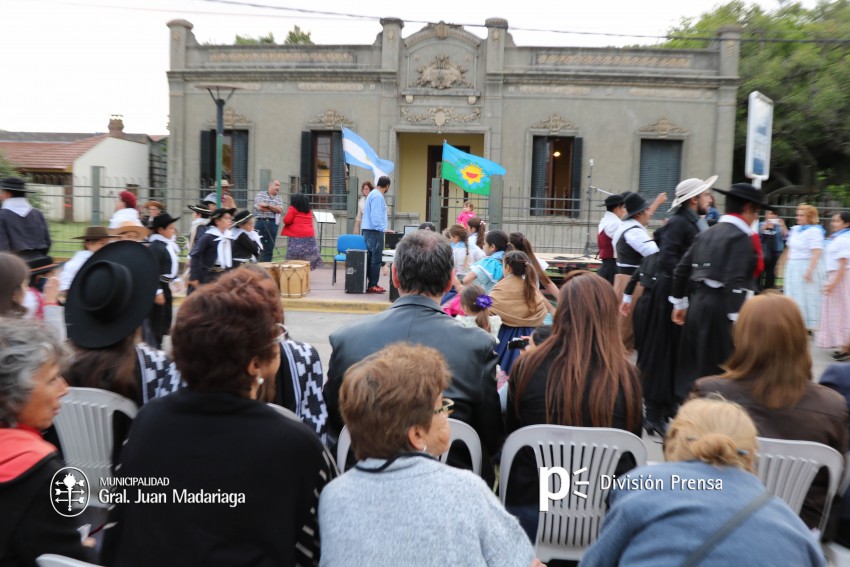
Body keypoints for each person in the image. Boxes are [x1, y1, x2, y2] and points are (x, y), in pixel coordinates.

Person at [101, 269, 337, 566]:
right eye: (275, 340)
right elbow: (323, 546)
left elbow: (123, 530)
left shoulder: (148, 422)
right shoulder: (297, 445)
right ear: (255, 364)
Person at [319, 343, 540, 567]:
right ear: (416, 434)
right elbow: (523, 562)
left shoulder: (333, 496)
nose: (446, 413)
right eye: (441, 407)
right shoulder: (465, 490)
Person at [326, 230, 504, 483]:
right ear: (449, 281)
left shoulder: (346, 339)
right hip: (451, 485)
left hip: (364, 481)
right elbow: (491, 437)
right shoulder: (478, 345)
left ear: (395, 276)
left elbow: (336, 426)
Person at [581, 397, 826, 567]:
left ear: (674, 441)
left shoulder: (642, 486)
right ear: (752, 453)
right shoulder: (795, 531)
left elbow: (596, 562)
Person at [694, 293, 849, 532]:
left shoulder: (709, 392)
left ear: (741, 335)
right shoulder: (833, 406)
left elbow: (682, 461)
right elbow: (834, 481)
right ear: (799, 340)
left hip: (717, 522)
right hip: (798, 529)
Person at [506, 271, 643, 539]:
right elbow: (631, 448)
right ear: (610, 315)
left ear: (561, 311)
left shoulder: (527, 366)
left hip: (531, 511)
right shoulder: (626, 377)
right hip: (603, 518)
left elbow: (512, 432)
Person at [0, 319, 99, 565]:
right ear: (13, 393)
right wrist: (81, 548)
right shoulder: (40, 472)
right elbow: (66, 559)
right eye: (53, 379)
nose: (64, 389)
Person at [623, 176, 715, 435]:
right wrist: (680, 299)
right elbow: (670, 261)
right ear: (694, 199)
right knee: (661, 355)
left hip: (677, 293)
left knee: (675, 355)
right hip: (668, 296)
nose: (709, 199)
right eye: (706, 195)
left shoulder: (690, 222)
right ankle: (653, 414)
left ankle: (667, 408)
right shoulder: (678, 223)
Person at [671, 183, 765, 398]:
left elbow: (681, 270)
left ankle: (690, 416)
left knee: (693, 370)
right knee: (719, 373)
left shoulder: (708, 232)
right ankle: (710, 421)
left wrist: (680, 304)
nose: (755, 218)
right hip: (721, 310)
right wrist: (737, 321)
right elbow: (735, 280)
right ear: (748, 208)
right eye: (757, 213)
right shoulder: (741, 237)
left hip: (698, 304)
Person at [613, 192, 660, 351]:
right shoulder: (634, 231)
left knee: (623, 331)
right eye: (647, 210)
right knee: (625, 333)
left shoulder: (626, 227)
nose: (649, 214)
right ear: (640, 214)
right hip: (632, 282)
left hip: (625, 280)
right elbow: (654, 253)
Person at [490, 250, 548, 375]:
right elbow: (542, 311)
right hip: (530, 339)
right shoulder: (531, 288)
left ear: (507, 267)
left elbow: (490, 310)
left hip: (503, 338)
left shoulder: (501, 287)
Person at [781, 203, 825, 331]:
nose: (798, 217)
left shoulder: (815, 231)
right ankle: (794, 321)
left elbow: (817, 252)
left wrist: (810, 271)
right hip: (793, 266)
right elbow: (790, 248)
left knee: (806, 295)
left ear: (809, 217)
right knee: (793, 294)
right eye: (797, 215)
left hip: (806, 265)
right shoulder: (795, 230)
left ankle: (807, 324)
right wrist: (785, 265)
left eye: (801, 215)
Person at [146, 212, 181, 349]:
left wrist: (176, 279)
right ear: (160, 230)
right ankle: (154, 348)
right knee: (156, 321)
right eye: (171, 228)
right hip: (158, 287)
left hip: (165, 286)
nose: (173, 230)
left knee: (164, 320)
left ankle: (157, 344)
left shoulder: (166, 244)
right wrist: (157, 291)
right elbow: (152, 270)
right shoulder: (156, 247)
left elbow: (170, 265)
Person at [817, 212, 850, 352]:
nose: (832, 223)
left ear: (846, 223)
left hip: (840, 277)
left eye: (836, 221)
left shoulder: (845, 238)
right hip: (836, 276)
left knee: (843, 311)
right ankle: (844, 345)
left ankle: (845, 346)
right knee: (839, 311)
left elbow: (843, 263)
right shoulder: (840, 237)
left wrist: (833, 283)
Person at [0, 176, 51, 260]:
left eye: (1, 192)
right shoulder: (38, 213)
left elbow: (2, 249)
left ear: (8, 194)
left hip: (15, 267)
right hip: (40, 263)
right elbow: (47, 242)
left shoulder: (2, 216)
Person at [58, 226, 116, 294]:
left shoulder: (106, 259)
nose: (106, 247)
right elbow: (65, 289)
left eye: (107, 243)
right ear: (88, 244)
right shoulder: (76, 264)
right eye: (102, 243)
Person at [189, 207, 236, 287]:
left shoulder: (229, 237)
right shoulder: (208, 237)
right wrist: (194, 277)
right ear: (217, 221)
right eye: (226, 218)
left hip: (223, 275)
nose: (229, 221)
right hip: (208, 276)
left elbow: (230, 258)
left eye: (230, 218)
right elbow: (195, 255)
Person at [452, 229, 510, 294]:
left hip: (490, 300)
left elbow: (466, 280)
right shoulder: (510, 260)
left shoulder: (490, 263)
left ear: (492, 247)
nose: (483, 246)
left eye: (484, 244)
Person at [509, 232, 559, 306]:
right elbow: (548, 283)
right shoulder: (536, 261)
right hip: (535, 305)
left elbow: (534, 291)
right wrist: (563, 300)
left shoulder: (510, 265)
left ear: (510, 246)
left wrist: (551, 309)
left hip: (520, 306)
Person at [361, 175, 391, 293]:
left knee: (369, 258)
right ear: (387, 186)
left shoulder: (372, 194)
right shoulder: (378, 196)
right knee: (376, 259)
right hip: (375, 231)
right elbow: (376, 215)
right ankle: (373, 284)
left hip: (368, 230)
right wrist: (383, 228)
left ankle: (370, 283)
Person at [442, 223, 485, 305]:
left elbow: (450, 268)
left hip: (456, 283)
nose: (450, 239)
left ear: (456, 237)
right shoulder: (474, 248)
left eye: (451, 237)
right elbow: (483, 260)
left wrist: (458, 285)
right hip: (473, 281)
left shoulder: (452, 250)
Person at [282, 193, 323, 270]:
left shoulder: (293, 209)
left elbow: (286, 221)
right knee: (307, 256)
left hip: (296, 237)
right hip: (309, 237)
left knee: (294, 256)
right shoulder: (309, 211)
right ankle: (305, 272)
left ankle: (294, 272)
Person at [596, 193, 626, 284]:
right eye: (623, 208)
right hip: (613, 268)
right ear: (617, 208)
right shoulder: (615, 223)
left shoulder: (604, 221)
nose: (625, 211)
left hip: (606, 266)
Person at [253, 178, 284, 262]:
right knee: (257, 246)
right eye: (277, 185)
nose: (278, 187)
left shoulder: (279, 198)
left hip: (272, 223)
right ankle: (255, 268)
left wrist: (267, 205)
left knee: (269, 247)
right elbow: (260, 208)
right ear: (270, 185)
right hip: (261, 222)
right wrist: (273, 209)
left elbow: (280, 210)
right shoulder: (261, 194)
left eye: (279, 186)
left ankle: (267, 267)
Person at [759, 209, 787, 289]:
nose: (772, 216)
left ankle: (769, 290)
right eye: (770, 214)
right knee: (760, 273)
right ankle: (758, 290)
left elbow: (786, 236)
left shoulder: (778, 226)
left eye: (774, 214)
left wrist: (783, 225)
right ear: (766, 215)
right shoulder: (761, 224)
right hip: (763, 253)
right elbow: (758, 235)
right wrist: (765, 228)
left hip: (775, 253)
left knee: (771, 274)